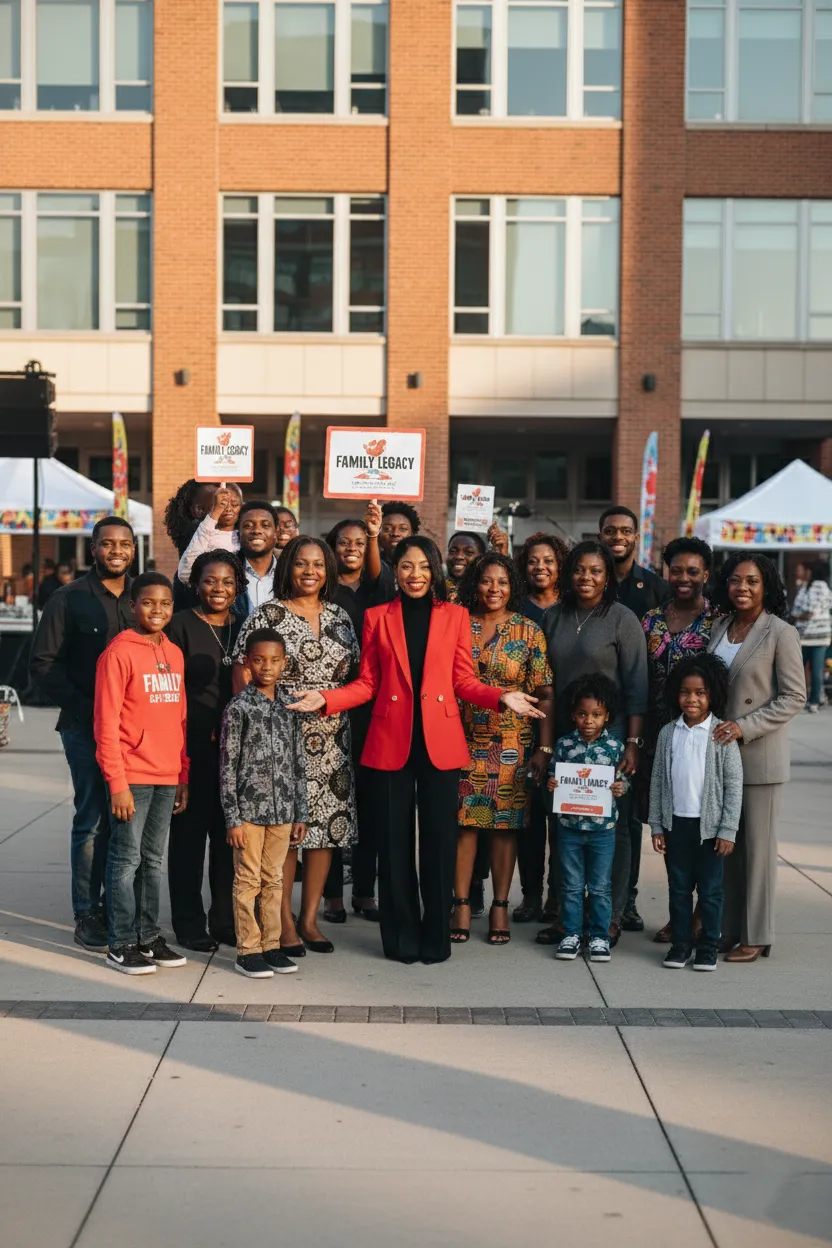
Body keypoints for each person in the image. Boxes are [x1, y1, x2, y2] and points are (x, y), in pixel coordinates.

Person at [288, 536, 544, 965]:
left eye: (424, 566)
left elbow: (463, 681)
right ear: (396, 571)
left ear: (435, 570)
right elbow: (368, 683)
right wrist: (327, 698)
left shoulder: (455, 615)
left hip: (440, 744)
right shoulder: (377, 617)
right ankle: (400, 939)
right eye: (406, 566)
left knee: (440, 845)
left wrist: (501, 696)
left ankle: (435, 938)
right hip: (391, 743)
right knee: (393, 847)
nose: (415, 574)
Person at [232, 536, 359, 955]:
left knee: (326, 830)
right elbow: (243, 671)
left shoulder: (340, 616)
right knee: (285, 833)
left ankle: (309, 920)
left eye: (318, 564)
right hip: (280, 739)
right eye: (302, 563)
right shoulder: (269, 614)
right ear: (288, 567)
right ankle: (282, 920)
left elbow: (358, 675)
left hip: (333, 737)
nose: (310, 571)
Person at [30, 516, 136, 951]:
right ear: (93, 549)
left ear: (133, 549)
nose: (116, 551)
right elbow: (43, 665)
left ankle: (119, 907)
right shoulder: (68, 598)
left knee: (126, 822)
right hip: (85, 729)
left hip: (136, 734)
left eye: (124, 544)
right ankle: (87, 912)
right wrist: (91, 710)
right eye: (107, 543)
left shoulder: (144, 598)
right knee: (92, 820)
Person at [539, 540, 648, 948]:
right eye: (580, 570)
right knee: (562, 822)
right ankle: (563, 915)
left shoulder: (622, 619)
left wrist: (632, 741)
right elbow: (545, 683)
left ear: (607, 576)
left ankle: (611, 916)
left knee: (613, 829)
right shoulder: (553, 616)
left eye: (596, 571)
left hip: (610, 739)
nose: (586, 577)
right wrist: (546, 745)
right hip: (565, 740)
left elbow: (636, 686)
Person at [708, 553, 806, 962]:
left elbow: (794, 696)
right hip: (720, 755)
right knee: (728, 850)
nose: (742, 588)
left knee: (758, 853)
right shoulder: (719, 626)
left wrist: (744, 726)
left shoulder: (781, 632)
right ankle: (730, 929)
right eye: (735, 580)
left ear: (766, 586)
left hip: (759, 756)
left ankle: (758, 934)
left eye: (752, 581)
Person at [452, 553, 553, 945]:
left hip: (512, 744)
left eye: (503, 582)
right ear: (474, 583)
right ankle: (461, 903)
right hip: (461, 738)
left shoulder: (529, 630)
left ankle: (499, 906)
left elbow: (544, 693)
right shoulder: (458, 623)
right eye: (486, 581)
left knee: (504, 828)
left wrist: (543, 748)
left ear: (513, 587)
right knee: (464, 824)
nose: (494, 589)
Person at [93, 572, 189, 975]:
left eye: (165, 603)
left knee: (152, 859)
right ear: (132, 606)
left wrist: (183, 774)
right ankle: (120, 943)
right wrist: (117, 783)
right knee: (126, 858)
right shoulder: (118, 653)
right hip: (132, 774)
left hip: (167, 774)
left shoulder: (174, 653)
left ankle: (148, 936)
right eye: (148, 602)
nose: (157, 610)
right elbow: (106, 723)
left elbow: (181, 717)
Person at [165, 550, 244, 951]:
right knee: (189, 840)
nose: (219, 588)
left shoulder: (245, 626)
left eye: (227, 581)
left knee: (228, 839)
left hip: (236, 752)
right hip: (191, 747)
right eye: (210, 580)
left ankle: (224, 920)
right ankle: (189, 923)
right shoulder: (179, 625)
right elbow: (171, 693)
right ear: (196, 584)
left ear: (237, 587)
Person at [637, 535, 715, 940]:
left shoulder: (718, 620)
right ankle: (680, 912)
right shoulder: (650, 620)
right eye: (677, 570)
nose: (684, 578)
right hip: (658, 738)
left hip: (702, 739)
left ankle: (702, 913)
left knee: (701, 825)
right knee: (670, 826)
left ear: (706, 574)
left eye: (693, 571)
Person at [321, 502, 394, 924]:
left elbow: (377, 571)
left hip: (370, 708)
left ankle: (364, 891)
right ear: (331, 549)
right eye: (344, 542)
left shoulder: (378, 590)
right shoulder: (322, 590)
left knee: (369, 801)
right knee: (332, 799)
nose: (351, 548)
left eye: (359, 543)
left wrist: (374, 532)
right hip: (329, 708)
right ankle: (332, 894)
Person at [220, 628, 308, 978]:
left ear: (284, 663)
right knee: (247, 881)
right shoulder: (239, 707)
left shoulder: (290, 706)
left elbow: (298, 761)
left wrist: (301, 812)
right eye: (258, 660)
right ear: (247, 662)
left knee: (274, 879)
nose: (266, 667)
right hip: (248, 814)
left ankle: (272, 945)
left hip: (283, 811)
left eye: (274, 660)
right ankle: (248, 950)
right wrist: (232, 818)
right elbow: (227, 766)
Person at [649, 653, 742, 973]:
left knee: (711, 891)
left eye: (700, 693)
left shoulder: (721, 734)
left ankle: (708, 946)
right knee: (678, 888)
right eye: (685, 692)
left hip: (710, 830)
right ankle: (681, 944)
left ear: (712, 695)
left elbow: (733, 785)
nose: (692, 699)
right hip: (676, 825)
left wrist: (728, 830)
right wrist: (657, 825)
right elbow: (658, 781)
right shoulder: (668, 733)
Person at [547, 674, 630, 963]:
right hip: (569, 827)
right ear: (573, 715)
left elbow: (622, 781)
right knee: (570, 884)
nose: (589, 721)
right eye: (582, 714)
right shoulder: (564, 745)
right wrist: (552, 783)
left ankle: (599, 936)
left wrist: (621, 787)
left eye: (596, 714)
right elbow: (554, 774)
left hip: (602, 829)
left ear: (607, 716)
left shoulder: (615, 748)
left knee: (600, 886)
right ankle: (571, 933)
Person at [510, 531, 569, 924]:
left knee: (563, 818)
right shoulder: (517, 607)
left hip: (570, 724)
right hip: (523, 723)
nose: (540, 567)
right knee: (528, 819)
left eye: (548, 560)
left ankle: (557, 897)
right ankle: (531, 895)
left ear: (560, 564)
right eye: (532, 561)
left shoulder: (572, 607)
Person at [598, 505, 670, 619]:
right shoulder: (588, 585)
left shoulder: (659, 588)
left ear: (636, 538)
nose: (618, 537)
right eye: (610, 531)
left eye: (626, 531)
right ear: (600, 537)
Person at [176, 484, 244, 585]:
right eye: (222, 504)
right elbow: (185, 574)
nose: (228, 509)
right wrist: (215, 513)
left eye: (234, 505)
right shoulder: (203, 534)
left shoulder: (245, 535)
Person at [791, 559, 832, 712]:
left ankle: (809, 700)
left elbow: (807, 611)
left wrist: (797, 615)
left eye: (805, 570)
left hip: (811, 636)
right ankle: (814, 700)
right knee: (813, 670)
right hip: (817, 636)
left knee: (802, 670)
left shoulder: (815, 588)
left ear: (812, 572)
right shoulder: (820, 588)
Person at [232, 500, 281, 621]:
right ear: (238, 533)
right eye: (248, 526)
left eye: (265, 525)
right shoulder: (227, 573)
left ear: (276, 532)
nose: (256, 530)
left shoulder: (290, 573)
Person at [445, 531, 486, 602]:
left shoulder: (487, 593)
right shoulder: (434, 590)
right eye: (453, 551)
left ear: (482, 558)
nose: (459, 556)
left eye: (469, 552)